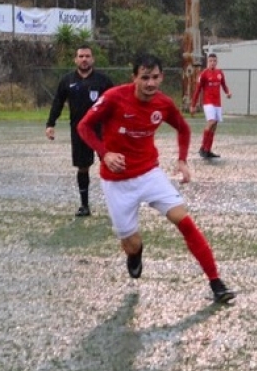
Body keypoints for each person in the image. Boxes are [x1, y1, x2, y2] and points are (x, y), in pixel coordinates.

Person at [77, 53, 236, 305]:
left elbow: (183, 128)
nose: (151, 83)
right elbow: (84, 127)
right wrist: (105, 154)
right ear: (134, 78)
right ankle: (136, 254)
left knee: (183, 221)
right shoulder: (114, 98)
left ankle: (216, 282)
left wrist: (183, 160)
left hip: (150, 174)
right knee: (131, 243)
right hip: (117, 183)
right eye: (145, 78)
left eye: (155, 77)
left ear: (161, 77)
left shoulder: (163, 103)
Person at [46, 45, 115, 217]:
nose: (84, 59)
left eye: (87, 56)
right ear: (75, 59)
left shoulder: (103, 81)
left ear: (93, 59)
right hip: (79, 131)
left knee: (110, 164)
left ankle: (116, 203)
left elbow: (115, 103)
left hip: (102, 130)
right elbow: (58, 103)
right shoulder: (67, 80)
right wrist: (50, 124)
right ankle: (84, 205)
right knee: (82, 167)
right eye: (81, 56)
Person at [189, 53, 231, 158]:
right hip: (208, 102)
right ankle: (202, 148)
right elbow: (198, 90)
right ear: (208, 62)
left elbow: (224, 85)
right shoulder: (203, 74)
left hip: (217, 103)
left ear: (217, 62)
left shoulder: (220, 73)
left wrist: (227, 92)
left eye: (214, 61)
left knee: (214, 126)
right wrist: (193, 105)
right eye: (210, 61)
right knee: (211, 121)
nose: (212, 63)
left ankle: (208, 150)